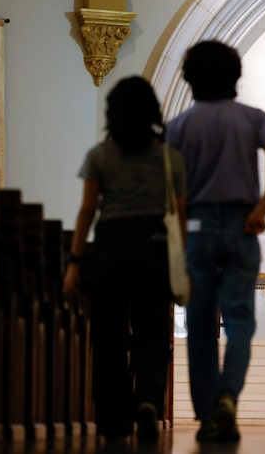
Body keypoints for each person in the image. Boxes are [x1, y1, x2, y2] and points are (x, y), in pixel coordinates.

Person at [165, 40, 265, 443]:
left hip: (197, 228)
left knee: (200, 326)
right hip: (240, 226)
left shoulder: (180, 126)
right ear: (234, 76)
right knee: (239, 322)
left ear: (190, 78)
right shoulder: (251, 118)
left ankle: (206, 415)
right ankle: (228, 398)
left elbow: (172, 187)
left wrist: (183, 232)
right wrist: (261, 210)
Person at [62, 76, 187, 445]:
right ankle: (148, 401)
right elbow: (181, 214)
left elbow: (87, 211)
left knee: (109, 334)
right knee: (150, 331)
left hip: (112, 246)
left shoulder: (100, 155)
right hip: (154, 245)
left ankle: (114, 419)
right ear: (152, 112)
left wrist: (73, 263)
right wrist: (186, 264)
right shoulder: (170, 158)